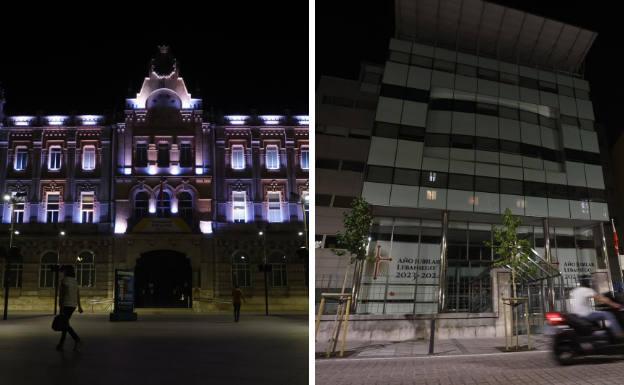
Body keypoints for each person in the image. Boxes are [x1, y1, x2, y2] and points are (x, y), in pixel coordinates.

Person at [570, 275, 624, 340]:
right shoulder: (586, 290)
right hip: (585, 315)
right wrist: (615, 304)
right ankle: (619, 334)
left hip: (576, 315)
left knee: (599, 315)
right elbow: (602, 299)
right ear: (587, 282)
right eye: (590, 281)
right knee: (608, 314)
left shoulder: (574, 291)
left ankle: (602, 334)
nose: (591, 283)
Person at [56, 265, 83, 351]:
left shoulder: (64, 281)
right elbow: (77, 295)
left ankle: (76, 339)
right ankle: (61, 344)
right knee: (65, 324)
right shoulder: (75, 281)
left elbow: (62, 295)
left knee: (65, 324)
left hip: (66, 305)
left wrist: (60, 306)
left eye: (64, 271)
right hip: (73, 305)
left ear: (66, 272)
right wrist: (79, 306)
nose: (63, 273)